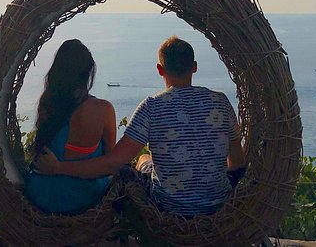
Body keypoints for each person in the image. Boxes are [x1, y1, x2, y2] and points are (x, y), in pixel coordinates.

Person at [36, 36, 246, 216]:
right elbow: (236, 161)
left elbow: (113, 163)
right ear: (194, 67)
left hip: (169, 208)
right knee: (148, 159)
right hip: (217, 205)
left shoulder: (151, 107)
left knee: (143, 160)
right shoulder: (220, 101)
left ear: (159, 70)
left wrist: (58, 168)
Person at [24, 39, 117, 214]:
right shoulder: (103, 109)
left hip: (41, 194)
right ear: (87, 73)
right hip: (82, 199)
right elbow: (110, 162)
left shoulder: (47, 103)